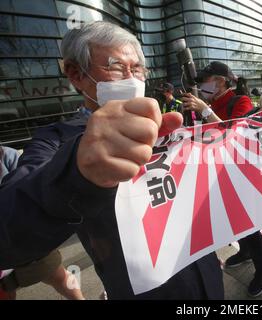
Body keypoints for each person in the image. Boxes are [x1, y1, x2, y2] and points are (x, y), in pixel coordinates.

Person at [0, 21, 223, 300]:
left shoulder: (163, 124)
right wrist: (76, 173)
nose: (131, 78)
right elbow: (8, 232)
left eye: (137, 68)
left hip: (203, 268)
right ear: (76, 74)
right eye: (116, 66)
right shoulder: (57, 140)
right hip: (142, 288)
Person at [181, 61, 262, 297]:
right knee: (233, 220)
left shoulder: (240, 101)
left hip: (240, 173)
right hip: (217, 173)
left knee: (250, 225)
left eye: (204, 81)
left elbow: (234, 135)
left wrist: (205, 111)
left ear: (220, 81)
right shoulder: (209, 104)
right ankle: (245, 252)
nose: (201, 86)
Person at [0, 147, 84, 300]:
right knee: (7, 289)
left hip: (25, 234)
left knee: (59, 276)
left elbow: (26, 180)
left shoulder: (6, 154)